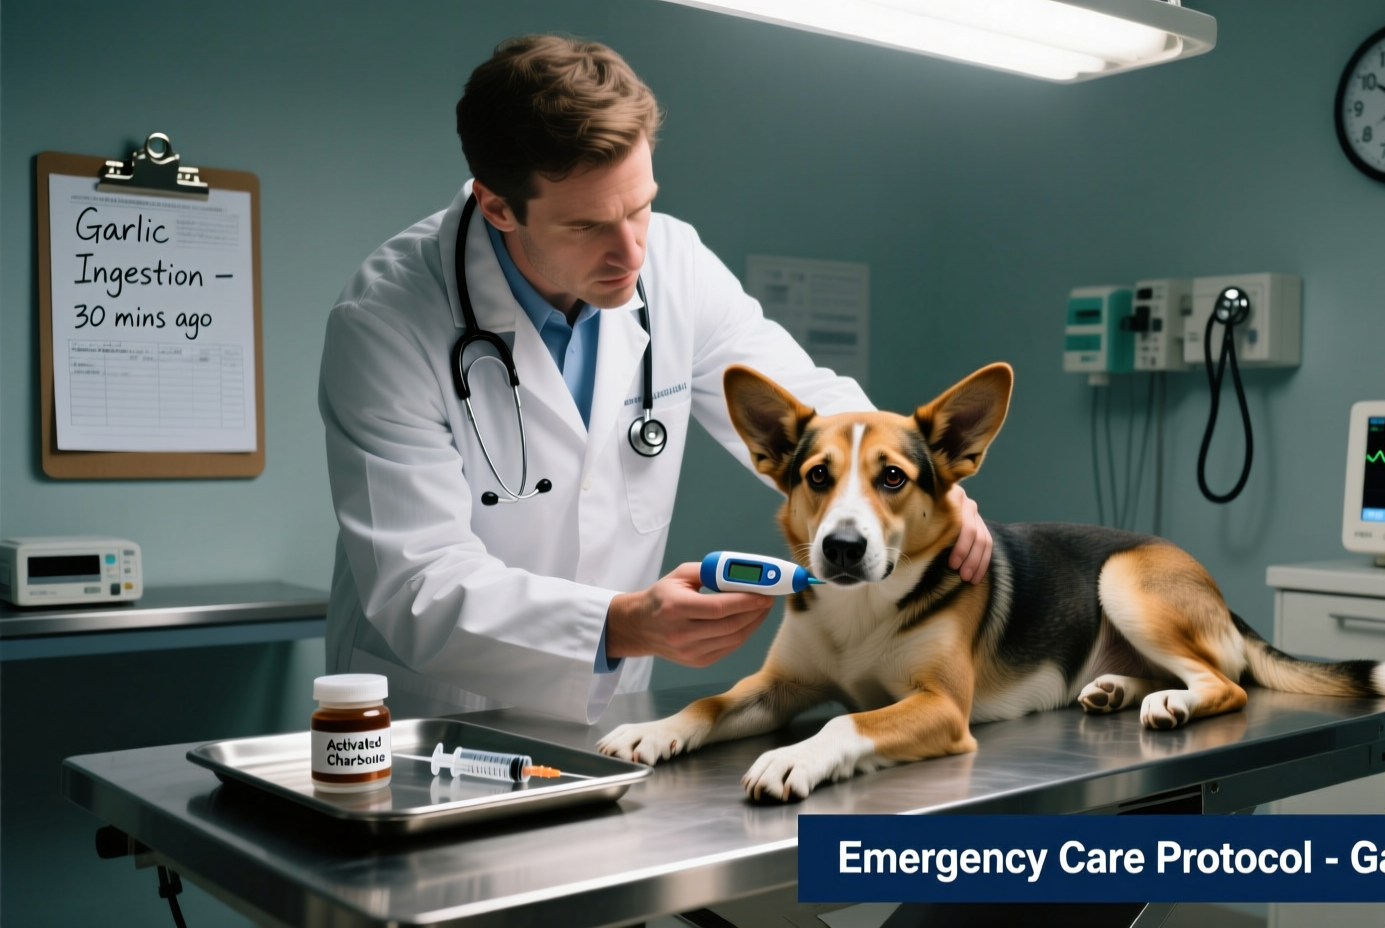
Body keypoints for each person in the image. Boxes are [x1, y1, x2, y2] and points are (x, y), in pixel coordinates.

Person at [318, 34, 991, 724]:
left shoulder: (676, 265)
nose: (631, 252)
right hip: (432, 717)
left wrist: (914, 478)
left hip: (610, 708)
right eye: (587, 225)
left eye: (640, 206)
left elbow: (808, 414)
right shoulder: (384, 322)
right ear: (497, 207)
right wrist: (622, 624)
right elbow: (416, 585)